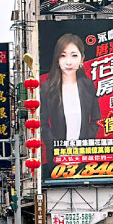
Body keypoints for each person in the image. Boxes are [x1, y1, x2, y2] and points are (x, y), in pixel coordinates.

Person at [39, 33, 102, 165]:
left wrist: (84, 144)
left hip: (85, 158)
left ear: (82, 59)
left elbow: (96, 120)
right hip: (57, 159)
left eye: (74, 55)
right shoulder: (47, 88)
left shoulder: (88, 85)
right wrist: (55, 146)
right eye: (63, 55)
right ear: (57, 59)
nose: (68, 62)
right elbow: (43, 124)